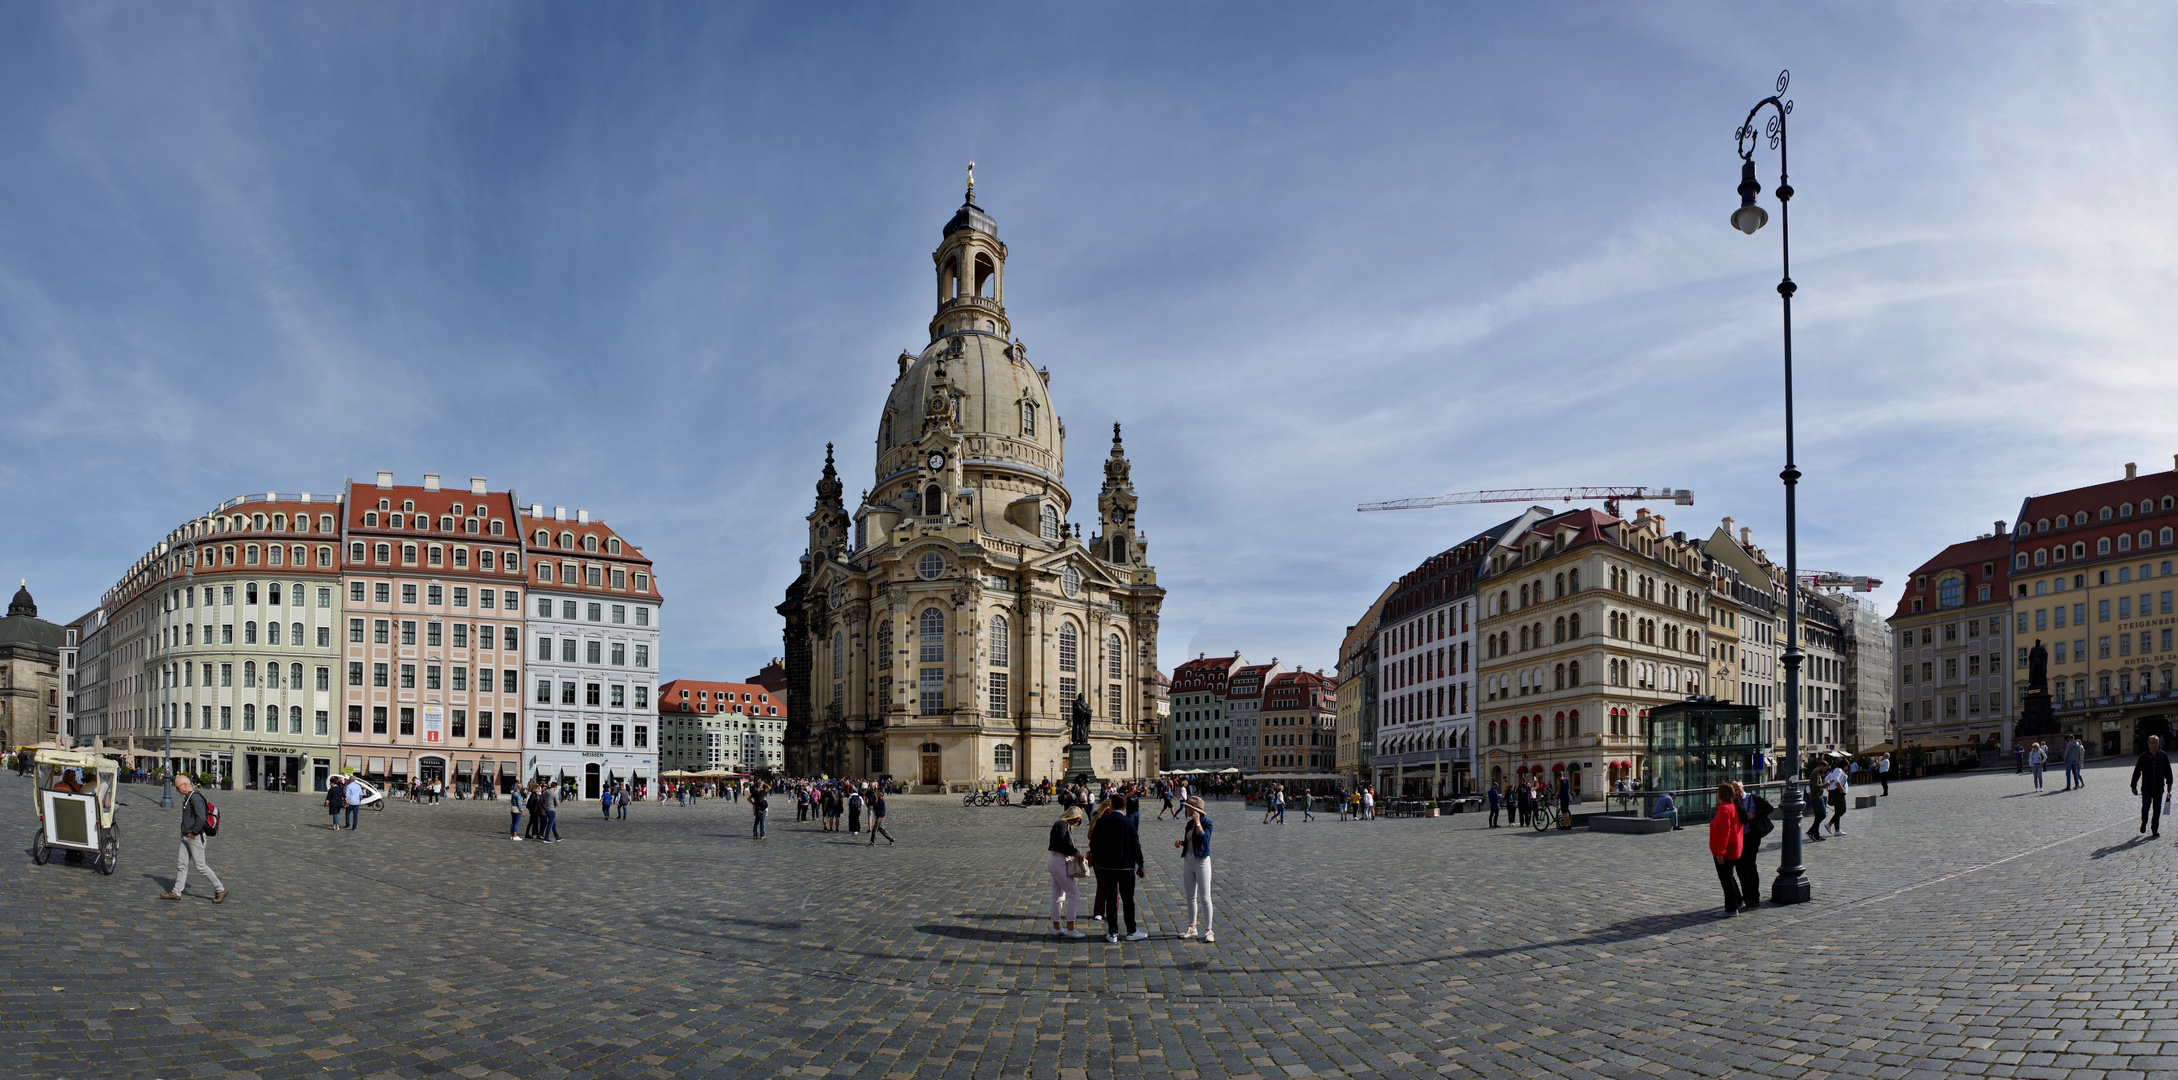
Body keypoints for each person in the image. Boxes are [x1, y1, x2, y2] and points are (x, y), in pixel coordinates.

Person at [1089, 793, 1147, 942]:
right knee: (1128, 900)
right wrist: (1140, 865)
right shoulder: (1129, 823)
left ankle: (1113, 933)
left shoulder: (1102, 822)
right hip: (1126, 868)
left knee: (1111, 899)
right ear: (1125, 807)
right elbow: (1136, 846)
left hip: (1107, 868)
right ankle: (1131, 931)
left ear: (1112, 805)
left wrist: (1099, 862)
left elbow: (1094, 845)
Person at [162, 775, 226, 903]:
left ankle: (220, 889)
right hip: (186, 836)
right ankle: (176, 891)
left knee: (201, 866)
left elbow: (201, 817)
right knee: (182, 864)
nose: (177, 790)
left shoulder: (195, 797)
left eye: (178, 787)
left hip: (194, 837)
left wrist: (194, 832)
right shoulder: (188, 797)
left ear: (185, 785)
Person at [1175, 795, 1215, 943]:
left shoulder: (1206, 822)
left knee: (1205, 897)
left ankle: (1209, 930)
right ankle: (1192, 927)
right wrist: (1182, 843)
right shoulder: (1188, 824)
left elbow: (1204, 840)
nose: (1185, 809)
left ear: (1194, 809)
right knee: (1190, 897)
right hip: (1188, 861)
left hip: (1202, 862)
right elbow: (1190, 840)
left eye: (1187, 807)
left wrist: (1198, 823)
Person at [1730, 781, 1770, 912]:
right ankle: (1746, 896)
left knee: (1751, 866)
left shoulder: (1754, 798)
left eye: (1738, 789)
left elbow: (1769, 809)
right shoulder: (1733, 801)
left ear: (1743, 788)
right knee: (1740, 867)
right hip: (1739, 838)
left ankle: (1754, 896)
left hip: (1752, 837)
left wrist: (1754, 815)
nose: (1737, 792)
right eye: (1734, 790)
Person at [1708, 781, 1744, 916]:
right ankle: (1739, 900)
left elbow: (1725, 832)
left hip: (1726, 850)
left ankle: (1731, 908)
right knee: (1729, 876)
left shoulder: (1724, 809)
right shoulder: (1733, 806)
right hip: (1734, 848)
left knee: (1726, 879)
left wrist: (1720, 852)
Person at [2134, 735, 2173, 837]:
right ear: (2149, 744)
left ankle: (2154, 829)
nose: (2156, 745)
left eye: (2157, 742)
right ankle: (2144, 822)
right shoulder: (2143, 757)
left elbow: (2168, 771)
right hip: (2147, 787)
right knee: (2145, 807)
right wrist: (2133, 786)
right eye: (2153, 743)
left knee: (2157, 809)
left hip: (2159, 787)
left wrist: (2169, 783)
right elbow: (2137, 772)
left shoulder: (2163, 756)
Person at [1823, 760, 1849, 835]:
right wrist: (1841, 789)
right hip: (1838, 792)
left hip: (1837, 792)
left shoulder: (1834, 770)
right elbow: (1836, 780)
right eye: (1847, 766)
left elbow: (1826, 779)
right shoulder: (1839, 770)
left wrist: (1828, 787)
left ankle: (1830, 824)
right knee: (1839, 811)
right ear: (1844, 765)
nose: (1847, 768)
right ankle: (1837, 830)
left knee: (1841, 810)